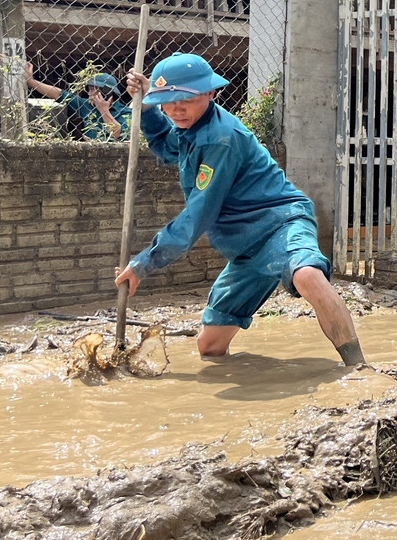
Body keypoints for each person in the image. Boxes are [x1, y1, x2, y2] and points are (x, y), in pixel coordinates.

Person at [114, 52, 365, 364]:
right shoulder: (190, 126)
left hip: (280, 224)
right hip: (245, 251)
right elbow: (167, 147)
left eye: (185, 99)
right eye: (168, 100)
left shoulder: (221, 139)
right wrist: (149, 107)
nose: (176, 109)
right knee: (210, 347)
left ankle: (357, 367)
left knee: (307, 275)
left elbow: (198, 215)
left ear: (210, 93)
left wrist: (144, 263)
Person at [24, 63, 131, 141]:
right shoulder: (86, 105)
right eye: (89, 89)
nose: (89, 93)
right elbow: (60, 94)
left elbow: (117, 134)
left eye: (93, 89)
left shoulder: (125, 112)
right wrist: (31, 81)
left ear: (106, 92)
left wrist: (104, 111)